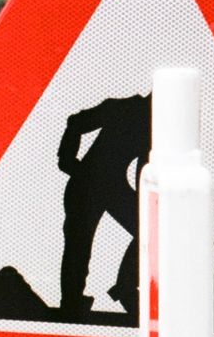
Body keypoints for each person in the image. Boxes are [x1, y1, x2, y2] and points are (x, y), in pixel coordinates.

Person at [56, 92, 151, 315]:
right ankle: (71, 303)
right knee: (78, 246)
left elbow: (143, 169)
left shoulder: (155, 125)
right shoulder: (123, 108)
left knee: (149, 230)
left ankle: (126, 287)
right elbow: (76, 122)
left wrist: (147, 205)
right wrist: (67, 160)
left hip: (112, 187)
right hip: (85, 184)